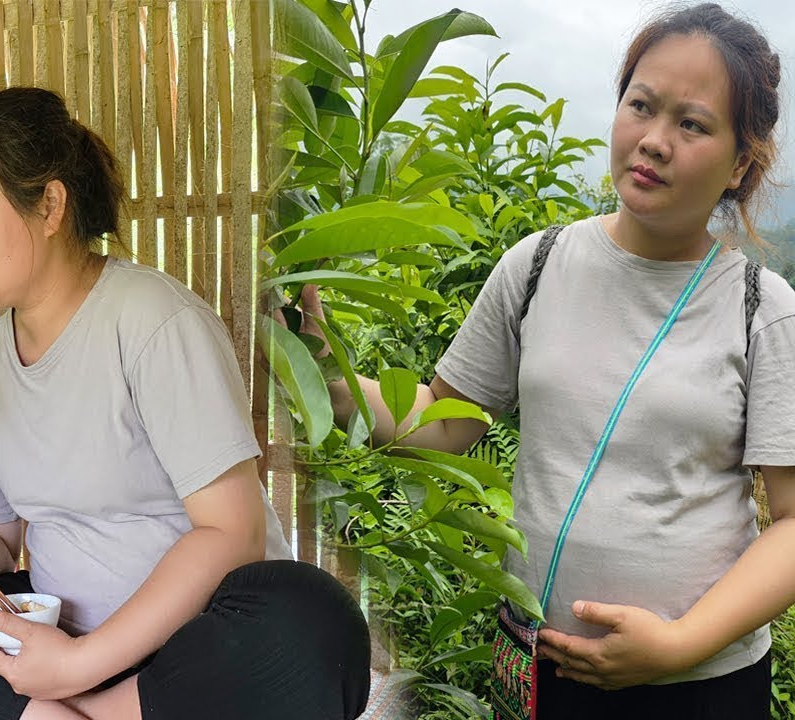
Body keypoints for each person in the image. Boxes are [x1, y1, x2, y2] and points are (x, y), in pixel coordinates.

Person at [292, 4, 793, 718]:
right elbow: (444, 419)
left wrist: (680, 643)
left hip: (696, 687)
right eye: (640, 105)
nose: (653, 141)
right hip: (539, 671)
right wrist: (325, 378)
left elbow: (792, 523)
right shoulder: (539, 265)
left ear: (741, 161)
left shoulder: (761, 308)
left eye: (692, 123)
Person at [0, 87, 372, 720]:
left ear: (49, 205)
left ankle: (92, 708)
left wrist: (79, 665)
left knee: (317, 622)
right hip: (60, 637)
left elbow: (233, 532)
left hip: (192, 645)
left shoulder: (154, 322)